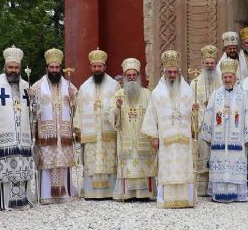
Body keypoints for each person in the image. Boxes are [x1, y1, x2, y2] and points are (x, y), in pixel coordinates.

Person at [141, 50, 196, 209]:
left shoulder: (188, 91)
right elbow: (151, 114)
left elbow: (194, 115)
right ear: (164, 72)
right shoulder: (157, 93)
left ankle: (187, 199)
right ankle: (167, 199)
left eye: (175, 71)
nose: (172, 74)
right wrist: (154, 137)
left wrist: (196, 113)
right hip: (166, 140)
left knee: (185, 168)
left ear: (178, 72)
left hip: (184, 140)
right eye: (169, 72)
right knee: (167, 169)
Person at [200, 58, 248, 203]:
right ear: (222, 78)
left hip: (236, 141)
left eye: (230, 76)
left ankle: (237, 194)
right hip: (219, 141)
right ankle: (218, 194)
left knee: (235, 164)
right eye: (225, 77)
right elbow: (209, 114)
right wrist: (207, 135)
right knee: (219, 164)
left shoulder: (243, 95)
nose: (227, 79)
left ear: (235, 77)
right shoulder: (215, 94)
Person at [0, 45, 35, 210]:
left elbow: (34, 113)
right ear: (5, 67)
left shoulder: (26, 87)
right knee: (4, 170)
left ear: (20, 68)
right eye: (10, 67)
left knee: (22, 166)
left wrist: (34, 100)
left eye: (16, 67)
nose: (13, 70)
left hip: (23, 138)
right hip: (4, 138)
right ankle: (3, 202)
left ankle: (23, 199)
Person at [32, 48, 77, 204]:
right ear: (46, 68)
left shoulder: (69, 86)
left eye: (57, 68)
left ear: (60, 68)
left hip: (63, 133)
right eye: (52, 68)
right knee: (46, 163)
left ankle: (65, 194)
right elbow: (32, 111)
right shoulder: (37, 87)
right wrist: (32, 100)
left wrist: (73, 99)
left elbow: (76, 109)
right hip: (47, 135)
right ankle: (45, 195)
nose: (54, 71)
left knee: (63, 163)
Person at [75, 49, 119, 200]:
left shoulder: (114, 85)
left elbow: (118, 108)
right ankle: (90, 192)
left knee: (109, 161)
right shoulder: (83, 87)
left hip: (107, 131)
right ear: (90, 67)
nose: (97, 69)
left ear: (105, 66)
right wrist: (78, 128)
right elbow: (79, 109)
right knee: (91, 162)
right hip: (91, 133)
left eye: (100, 66)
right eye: (94, 66)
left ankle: (110, 191)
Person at [110, 58, 156, 201]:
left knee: (144, 165)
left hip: (143, 138)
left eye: (133, 75)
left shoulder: (147, 94)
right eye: (128, 75)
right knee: (128, 165)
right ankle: (127, 194)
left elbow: (153, 114)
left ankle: (144, 194)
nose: (131, 78)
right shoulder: (119, 95)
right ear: (124, 76)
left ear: (138, 76)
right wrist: (117, 106)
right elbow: (110, 115)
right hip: (127, 139)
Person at [190, 45, 220, 196]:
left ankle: (215, 188)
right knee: (203, 154)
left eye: (212, 63)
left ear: (215, 64)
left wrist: (214, 107)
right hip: (202, 126)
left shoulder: (222, 81)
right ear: (202, 64)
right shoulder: (194, 83)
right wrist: (196, 109)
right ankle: (201, 189)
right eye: (207, 63)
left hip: (218, 126)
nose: (209, 66)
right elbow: (189, 105)